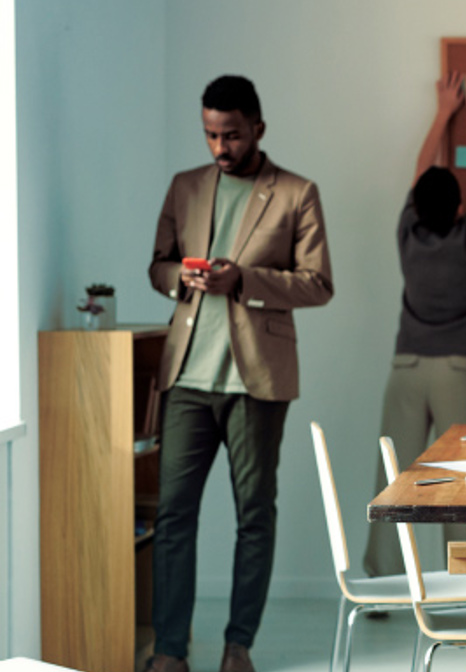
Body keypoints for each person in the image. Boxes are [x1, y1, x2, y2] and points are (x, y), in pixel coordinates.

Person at [147, 75, 334, 672]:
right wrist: (184, 276)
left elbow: (318, 284)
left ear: (258, 128)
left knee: (254, 515)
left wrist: (244, 281)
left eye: (230, 134)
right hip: (187, 379)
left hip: (256, 383)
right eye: (210, 135)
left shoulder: (297, 193)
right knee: (174, 515)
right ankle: (170, 651)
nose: (220, 147)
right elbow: (157, 265)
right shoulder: (186, 187)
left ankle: (238, 647)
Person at [363, 72, 466, 576]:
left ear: (417, 204)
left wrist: (445, 109)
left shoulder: (409, 234)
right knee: (462, 478)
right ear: (462, 207)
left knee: (393, 474)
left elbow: (423, 170)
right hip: (459, 371)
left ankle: (379, 577)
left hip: (407, 366)